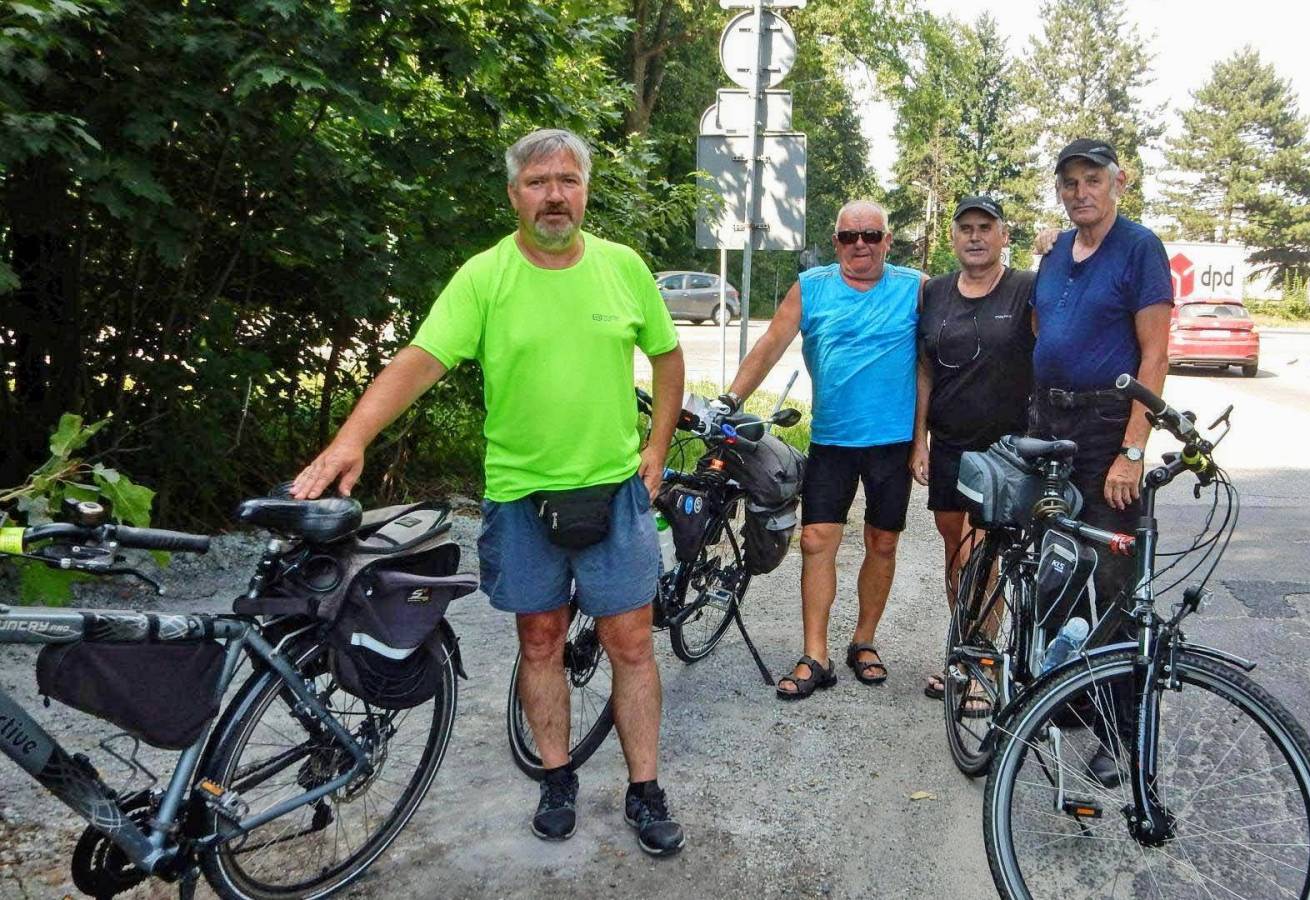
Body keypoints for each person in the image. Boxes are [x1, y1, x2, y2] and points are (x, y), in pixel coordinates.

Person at [289, 128, 688, 857]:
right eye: (538, 182)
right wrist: (352, 437)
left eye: (567, 180)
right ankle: (557, 778)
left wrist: (657, 447)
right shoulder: (484, 276)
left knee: (630, 644)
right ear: (514, 195)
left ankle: (645, 788)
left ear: (585, 191)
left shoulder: (624, 268)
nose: (554, 195)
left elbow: (666, 356)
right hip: (520, 498)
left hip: (614, 493)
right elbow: (420, 358)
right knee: (539, 639)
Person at [720, 200, 923, 700]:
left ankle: (864, 641)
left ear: (887, 241)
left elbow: (962, 324)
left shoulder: (916, 288)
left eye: (871, 235)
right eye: (850, 236)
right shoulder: (811, 288)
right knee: (815, 540)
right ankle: (816, 654)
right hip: (832, 439)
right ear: (835, 243)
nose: (861, 244)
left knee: (883, 542)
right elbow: (769, 345)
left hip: (893, 443)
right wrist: (730, 400)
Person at [1031, 138, 1173, 786]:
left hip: (1106, 428)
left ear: (1119, 182)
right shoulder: (1057, 250)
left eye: (1093, 179)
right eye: (1070, 182)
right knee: (1056, 570)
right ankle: (1071, 701)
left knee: (1116, 584)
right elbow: (1044, 330)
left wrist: (1131, 451)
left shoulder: (1139, 248)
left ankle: (1123, 734)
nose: (1081, 191)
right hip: (1049, 424)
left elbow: (1155, 357)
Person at [908, 196, 1035, 706]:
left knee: (984, 554)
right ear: (953, 237)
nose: (976, 236)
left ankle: (982, 666)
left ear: (1003, 235)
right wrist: (919, 439)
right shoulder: (934, 292)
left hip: (1003, 449)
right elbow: (924, 369)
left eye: (986, 227)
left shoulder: (1026, 288)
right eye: (966, 228)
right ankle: (963, 652)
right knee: (955, 552)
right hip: (949, 444)